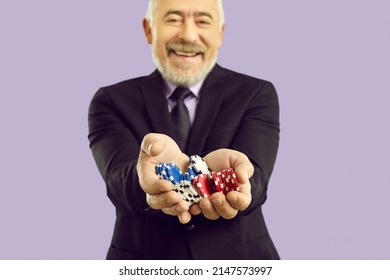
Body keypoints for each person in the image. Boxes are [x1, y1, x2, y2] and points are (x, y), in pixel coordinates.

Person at [88, 0, 280, 260]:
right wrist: (147, 180)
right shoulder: (110, 100)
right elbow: (118, 180)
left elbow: (256, 177)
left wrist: (241, 183)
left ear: (220, 33)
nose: (188, 35)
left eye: (202, 21)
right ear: (149, 29)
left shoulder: (257, 93)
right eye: (173, 19)